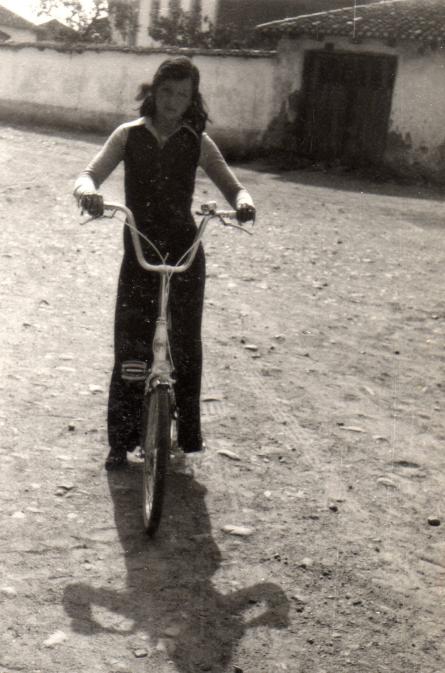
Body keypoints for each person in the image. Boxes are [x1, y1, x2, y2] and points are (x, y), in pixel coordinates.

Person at [74, 56, 256, 470]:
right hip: (140, 246)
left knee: (186, 342)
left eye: (183, 95)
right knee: (131, 340)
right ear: (154, 92)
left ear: (192, 99)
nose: (173, 101)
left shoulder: (197, 141)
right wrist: (88, 193)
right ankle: (121, 440)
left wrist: (244, 202)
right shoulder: (128, 135)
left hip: (183, 248)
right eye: (167, 92)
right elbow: (89, 174)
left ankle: (186, 433)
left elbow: (233, 186)